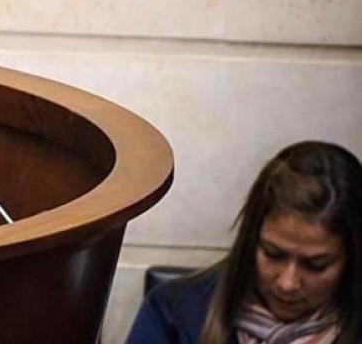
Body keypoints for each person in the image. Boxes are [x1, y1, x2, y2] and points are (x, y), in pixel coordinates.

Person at [126, 141, 362, 344]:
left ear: (351, 258)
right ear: (250, 240)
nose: (287, 283)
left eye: (316, 265)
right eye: (273, 254)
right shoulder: (174, 311)